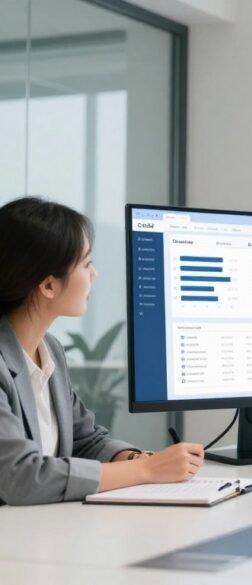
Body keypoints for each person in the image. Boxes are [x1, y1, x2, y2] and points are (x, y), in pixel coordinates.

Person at [0, 197, 205, 506]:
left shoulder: (49, 351)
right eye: (86, 264)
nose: (93, 275)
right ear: (49, 286)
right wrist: (145, 470)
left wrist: (134, 457)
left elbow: (85, 439)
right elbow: (22, 477)